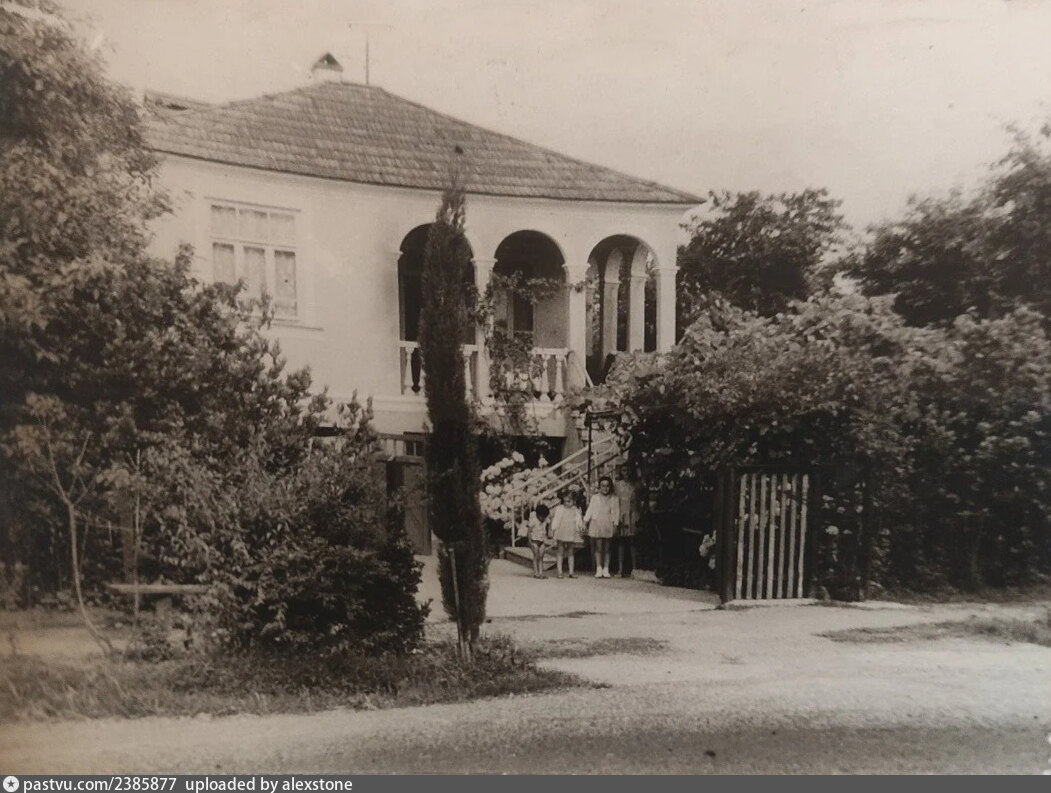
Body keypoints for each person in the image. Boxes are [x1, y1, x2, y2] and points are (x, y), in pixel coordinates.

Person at [584, 475, 620, 578]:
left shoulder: (614, 498)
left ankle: (606, 568)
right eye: (603, 486)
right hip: (597, 523)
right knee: (598, 547)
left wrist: (615, 524)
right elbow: (590, 510)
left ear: (610, 487)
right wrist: (585, 521)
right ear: (599, 487)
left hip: (608, 523)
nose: (605, 488)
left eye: (607, 486)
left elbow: (616, 512)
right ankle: (599, 568)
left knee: (607, 548)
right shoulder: (595, 497)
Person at [551, 489, 583, 579]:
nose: (566, 503)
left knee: (571, 552)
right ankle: (559, 571)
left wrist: (580, 527)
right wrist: (553, 528)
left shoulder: (575, 510)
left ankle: (571, 572)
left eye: (569, 501)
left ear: (574, 501)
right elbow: (556, 519)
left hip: (571, 531)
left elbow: (578, 520)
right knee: (560, 551)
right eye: (564, 501)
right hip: (561, 531)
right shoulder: (560, 508)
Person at [614, 465, 639, 577]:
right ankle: (620, 569)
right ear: (621, 472)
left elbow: (636, 503)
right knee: (621, 542)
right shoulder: (617, 486)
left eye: (628, 470)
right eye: (624, 470)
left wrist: (636, 517)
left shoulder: (634, 485)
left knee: (632, 542)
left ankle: (634, 569)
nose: (626, 473)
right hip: (621, 515)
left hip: (632, 515)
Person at [526, 503, 553, 579]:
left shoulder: (546, 520)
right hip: (534, 540)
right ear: (537, 515)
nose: (542, 518)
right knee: (536, 556)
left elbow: (550, 521)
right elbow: (529, 531)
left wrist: (549, 531)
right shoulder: (534, 520)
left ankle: (541, 573)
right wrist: (530, 541)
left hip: (542, 541)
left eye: (544, 517)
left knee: (541, 557)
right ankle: (536, 573)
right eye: (541, 516)